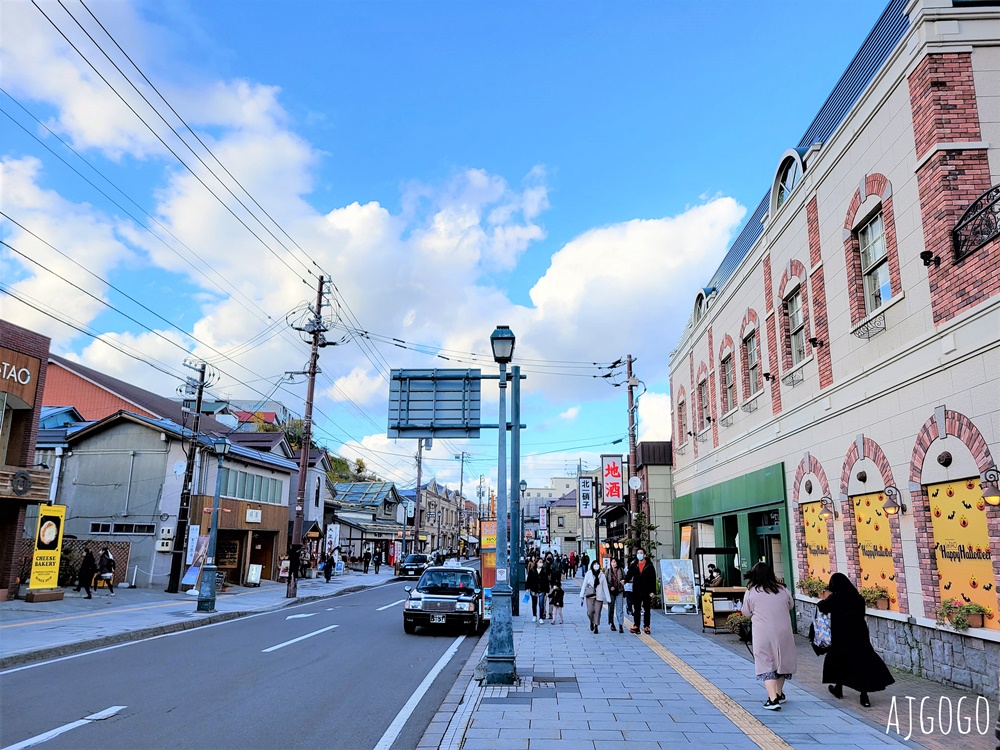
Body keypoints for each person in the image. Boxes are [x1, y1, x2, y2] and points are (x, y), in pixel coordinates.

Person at [817, 572, 895, 707]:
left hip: (841, 636)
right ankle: (863, 695)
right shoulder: (858, 598)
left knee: (839, 661)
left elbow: (821, 606)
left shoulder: (835, 598)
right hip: (859, 635)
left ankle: (839, 689)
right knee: (861, 663)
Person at [740, 562, 797, 711]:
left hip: (762, 632)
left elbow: (746, 612)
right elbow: (790, 605)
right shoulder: (783, 590)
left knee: (766, 663)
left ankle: (772, 700)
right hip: (784, 632)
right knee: (782, 661)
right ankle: (778, 693)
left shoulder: (751, 592)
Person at [625, 547, 656, 634]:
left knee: (647, 609)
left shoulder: (649, 565)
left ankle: (646, 626)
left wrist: (653, 591)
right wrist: (625, 580)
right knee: (637, 609)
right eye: (638, 553)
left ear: (644, 555)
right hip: (637, 590)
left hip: (647, 590)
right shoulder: (634, 564)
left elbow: (652, 579)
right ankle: (636, 626)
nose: (639, 554)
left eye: (641, 553)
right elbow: (629, 574)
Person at [580, 559, 611, 633]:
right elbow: (584, 584)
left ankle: (596, 626)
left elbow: (605, 587)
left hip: (599, 596)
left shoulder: (602, 575)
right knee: (590, 611)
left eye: (597, 564)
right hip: (590, 596)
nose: (596, 565)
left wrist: (608, 598)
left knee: (597, 612)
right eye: (595, 564)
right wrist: (581, 595)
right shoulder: (588, 573)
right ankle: (592, 621)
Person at [526, 557, 551, 623]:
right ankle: (534, 615)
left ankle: (541, 617)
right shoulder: (532, 570)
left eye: (542, 562)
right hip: (533, 589)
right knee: (534, 603)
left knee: (541, 604)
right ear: (536, 563)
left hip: (542, 589)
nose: (541, 563)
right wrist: (527, 588)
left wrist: (547, 591)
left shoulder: (544, 571)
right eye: (540, 562)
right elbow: (529, 579)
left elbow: (547, 581)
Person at [606, 558, 625, 633]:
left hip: (619, 591)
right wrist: (610, 587)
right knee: (611, 608)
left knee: (620, 608)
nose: (614, 563)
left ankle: (620, 625)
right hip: (611, 592)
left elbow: (624, 578)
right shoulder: (608, 571)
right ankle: (612, 623)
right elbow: (605, 581)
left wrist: (623, 581)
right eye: (613, 562)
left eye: (615, 562)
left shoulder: (621, 570)